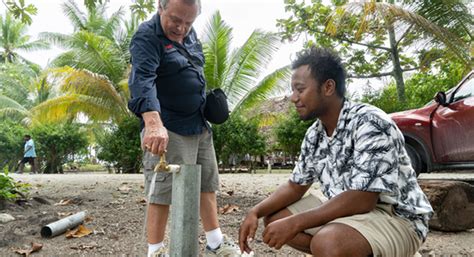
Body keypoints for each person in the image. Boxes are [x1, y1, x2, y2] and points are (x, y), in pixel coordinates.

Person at [238, 47, 433, 257]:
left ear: (328, 87)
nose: (293, 98)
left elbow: (363, 199)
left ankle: (362, 247)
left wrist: (296, 223)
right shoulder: (315, 134)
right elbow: (295, 186)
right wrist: (255, 212)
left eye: (300, 89)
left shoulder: (370, 122)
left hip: (396, 217)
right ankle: (344, 246)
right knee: (275, 218)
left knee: (328, 243)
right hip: (350, 213)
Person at [127, 0, 240, 256]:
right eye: (176, 20)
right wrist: (153, 124)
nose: (181, 28)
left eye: (189, 22)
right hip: (169, 127)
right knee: (162, 191)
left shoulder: (190, 34)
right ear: (160, 7)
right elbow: (142, 80)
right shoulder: (146, 36)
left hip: (198, 124)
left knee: (206, 184)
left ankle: (215, 243)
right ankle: (155, 251)